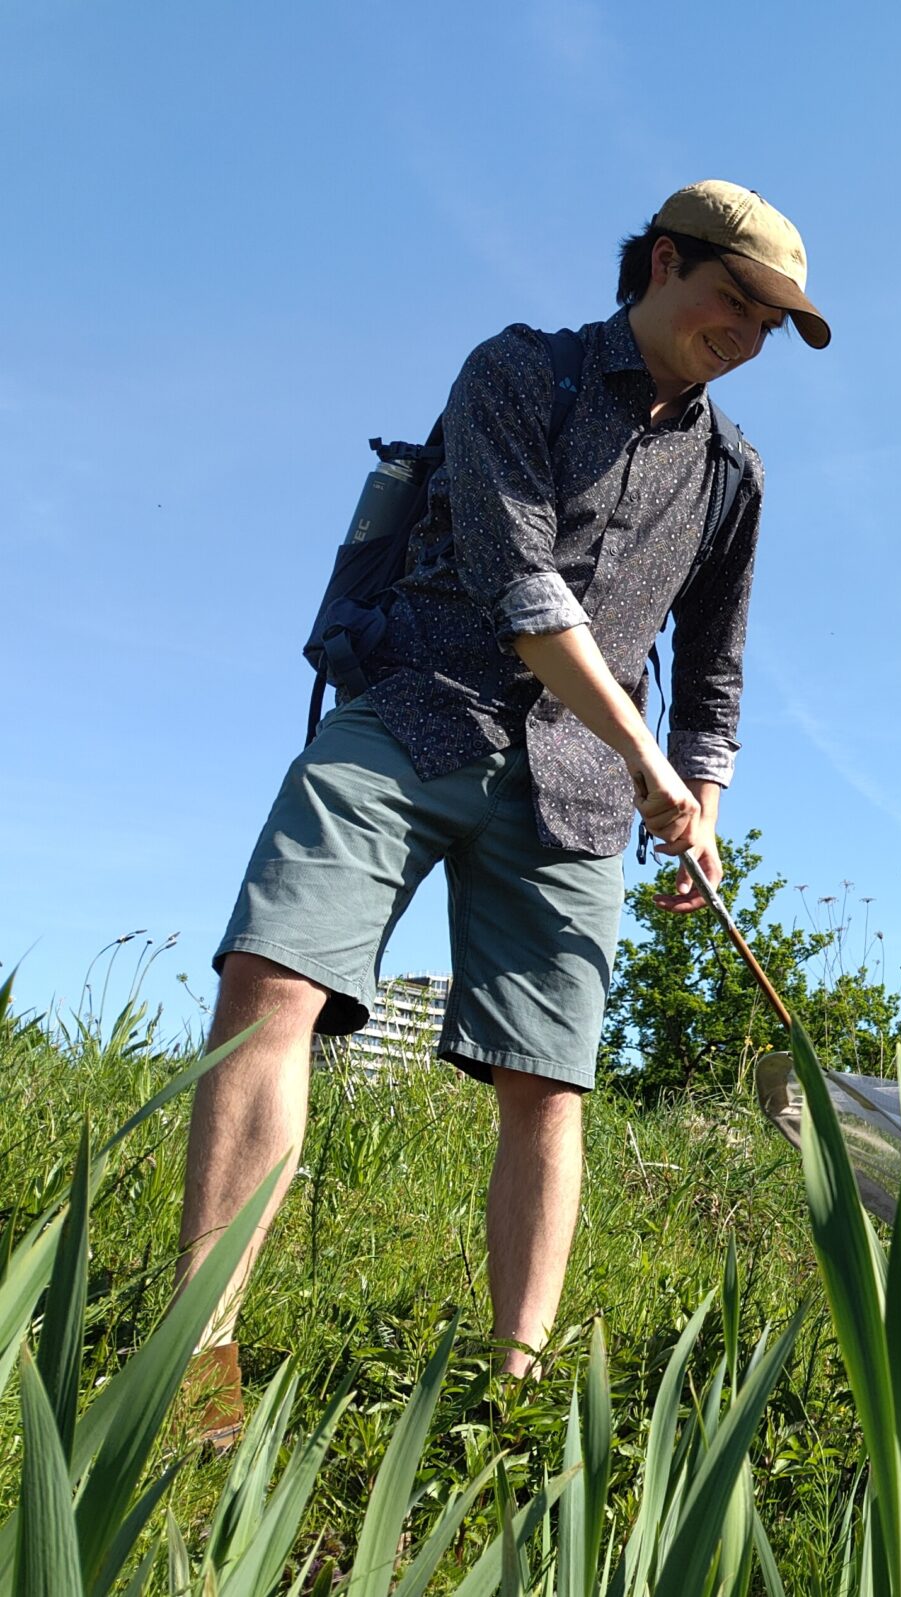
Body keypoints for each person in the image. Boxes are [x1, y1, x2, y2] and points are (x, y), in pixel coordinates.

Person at [179, 182, 829, 1428]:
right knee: (272, 980)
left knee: (550, 1083)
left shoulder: (735, 477)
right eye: (732, 298)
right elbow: (524, 590)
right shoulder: (516, 374)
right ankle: (193, 1359)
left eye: (772, 322)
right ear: (657, 262)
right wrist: (648, 757)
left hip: (578, 796)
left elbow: (716, 676)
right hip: (419, 711)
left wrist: (699, 797)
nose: (745, 332)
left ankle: (514, 1398)